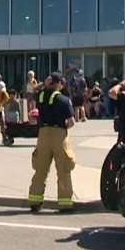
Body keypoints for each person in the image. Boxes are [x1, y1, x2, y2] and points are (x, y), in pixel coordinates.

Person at [27, 73, 77, 212]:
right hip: (59, 135)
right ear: (59, 83)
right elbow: (71, 122)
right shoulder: (64, 100)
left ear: (49, 82)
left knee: (40, 170)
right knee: (63, 171)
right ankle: (65, 203)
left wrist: (45, 83)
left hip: (42, 134)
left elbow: (35, 89)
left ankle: (35, 201)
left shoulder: (40, 97)